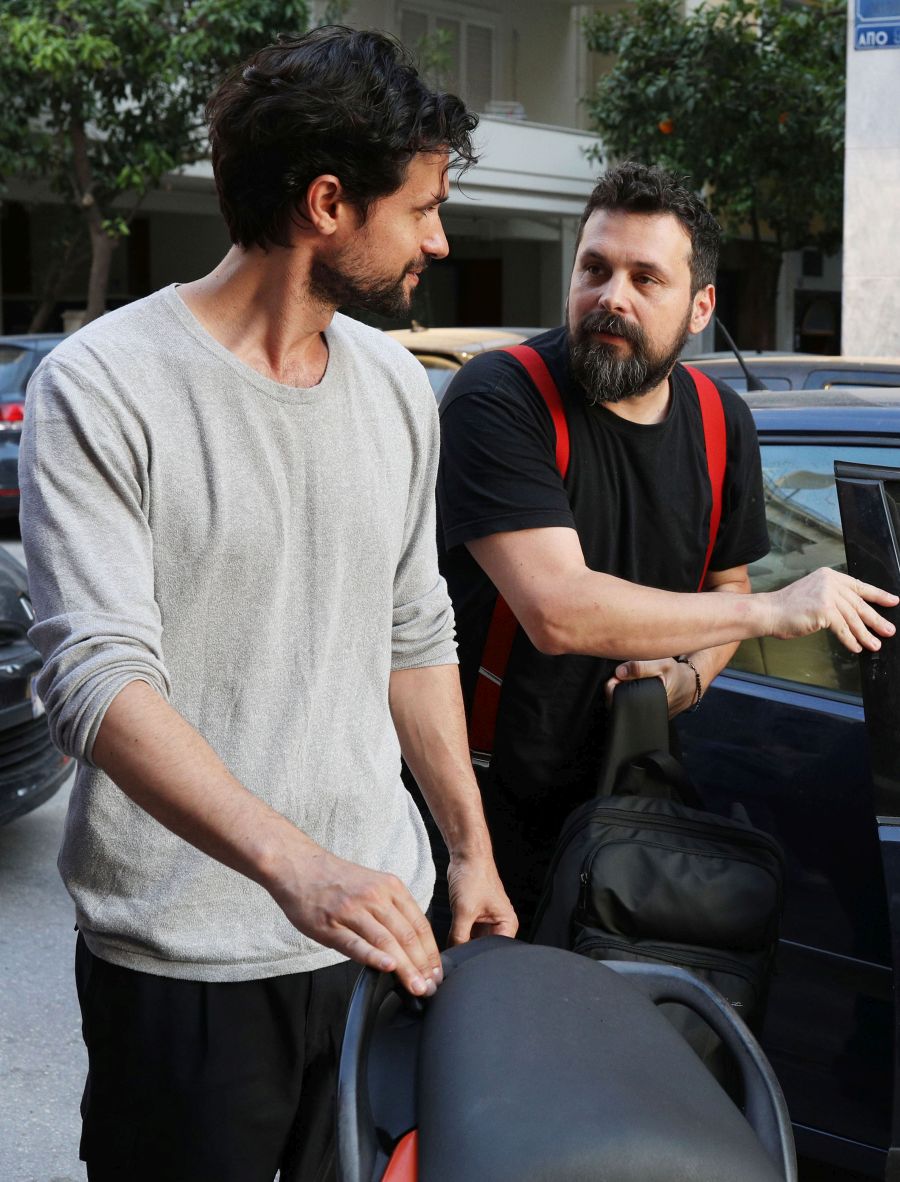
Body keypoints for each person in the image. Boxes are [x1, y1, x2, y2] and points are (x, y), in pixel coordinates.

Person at [19, 27, 515, 1182]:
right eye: (423, 209)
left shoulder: (397, 388)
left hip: (376, 944)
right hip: (182, 963)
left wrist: (468, 848)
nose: (438, 241)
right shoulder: (101, 384)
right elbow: (96, 679)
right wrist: (298, 868)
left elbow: (414, 630)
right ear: (327, 204)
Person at [435, 161, 897, 930]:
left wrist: (687, 678)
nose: (611, 296)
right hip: (481, 822)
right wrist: (775, 612)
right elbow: (557, 610)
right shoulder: (500, 397)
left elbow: (726, 586)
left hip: (628, 814)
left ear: (699, 307)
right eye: (595, 268)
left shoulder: (721, 422)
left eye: (645, 278)